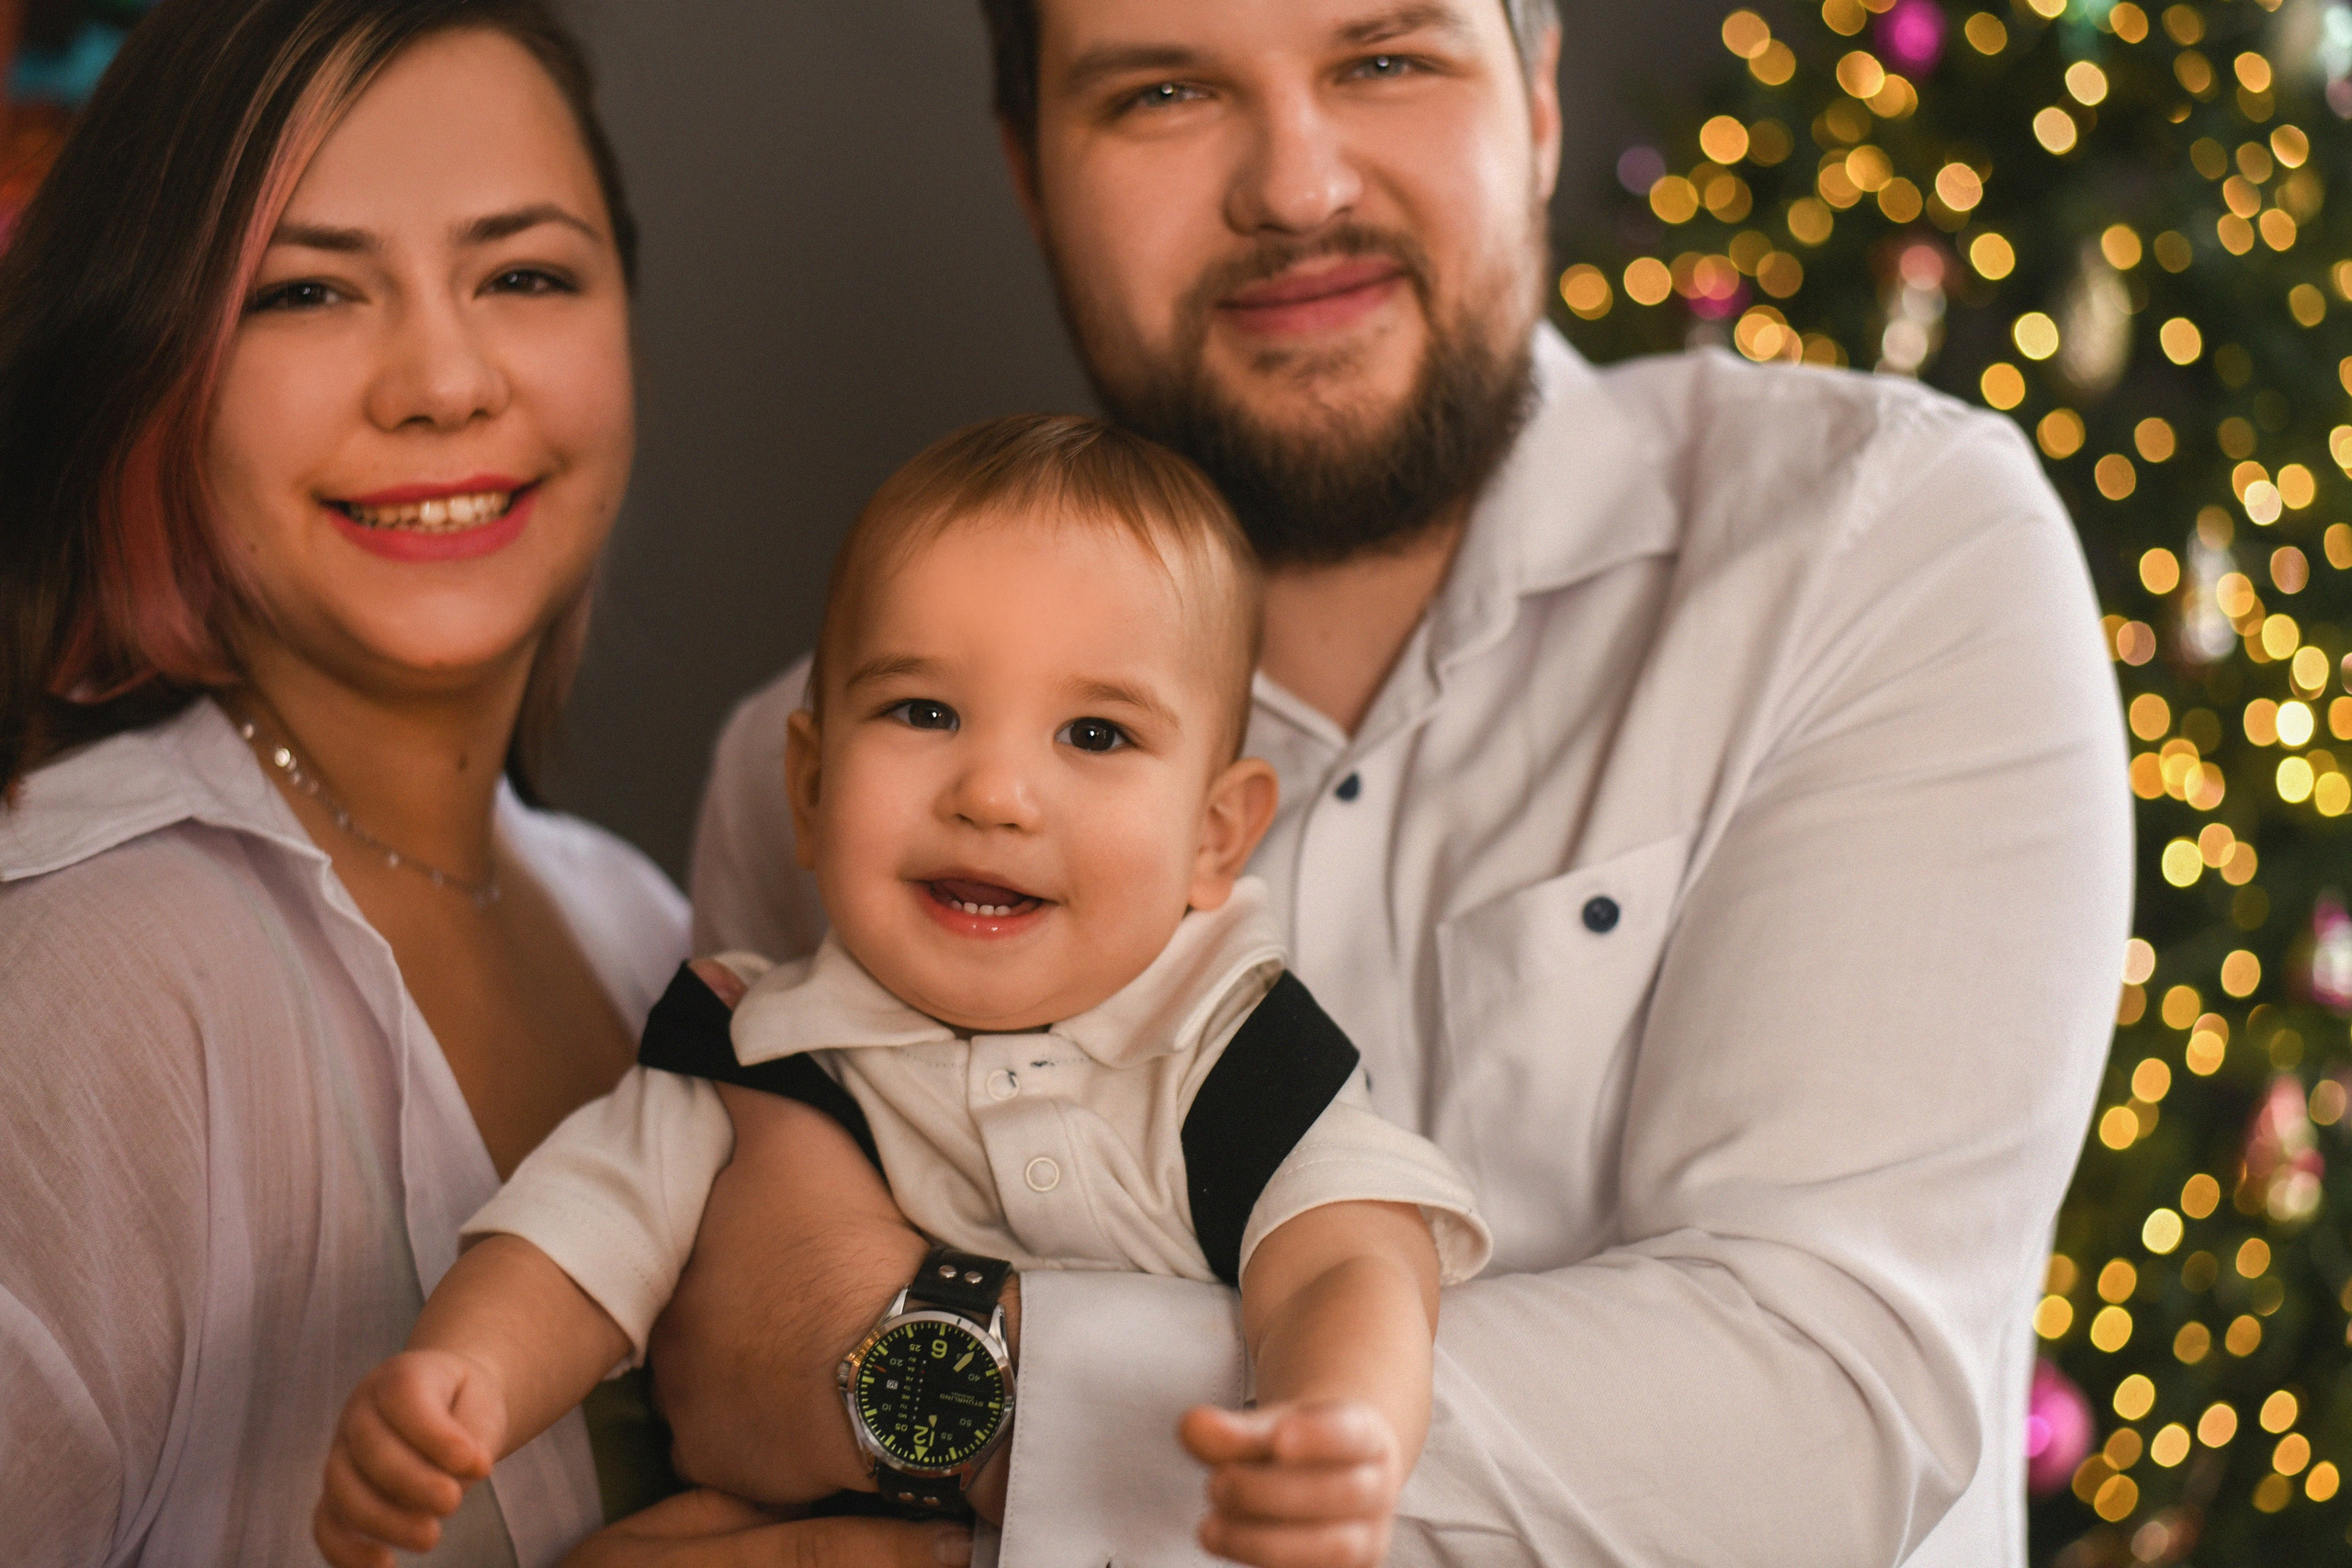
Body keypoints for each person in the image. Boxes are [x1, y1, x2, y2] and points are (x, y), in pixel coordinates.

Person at [654, 2, 2136, 1565]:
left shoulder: (1882, 552)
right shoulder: (826, 774)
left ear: (1541, 94)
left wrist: (944, 1392)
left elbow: (1821, 1423)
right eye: (1162, 92)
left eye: (1385, 59)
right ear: (1030, 173)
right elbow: (739, 1428)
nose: (1297, 187)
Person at [0, 3, 952, 1564]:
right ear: (150, 365)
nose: (444, 382)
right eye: (307, 290)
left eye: (524, 275)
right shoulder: (89, 975)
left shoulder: (635, 920)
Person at [318, 414, 1493, 1568]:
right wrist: (460, 1383)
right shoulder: (752, 1053)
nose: (993, 792)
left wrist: (1342, 1425)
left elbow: (1350, 1261)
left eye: (1093, 731)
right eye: (922, 712)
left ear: (1215, 834)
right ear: (812, 785)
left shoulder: (1230, 1053)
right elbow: (574, 1245)